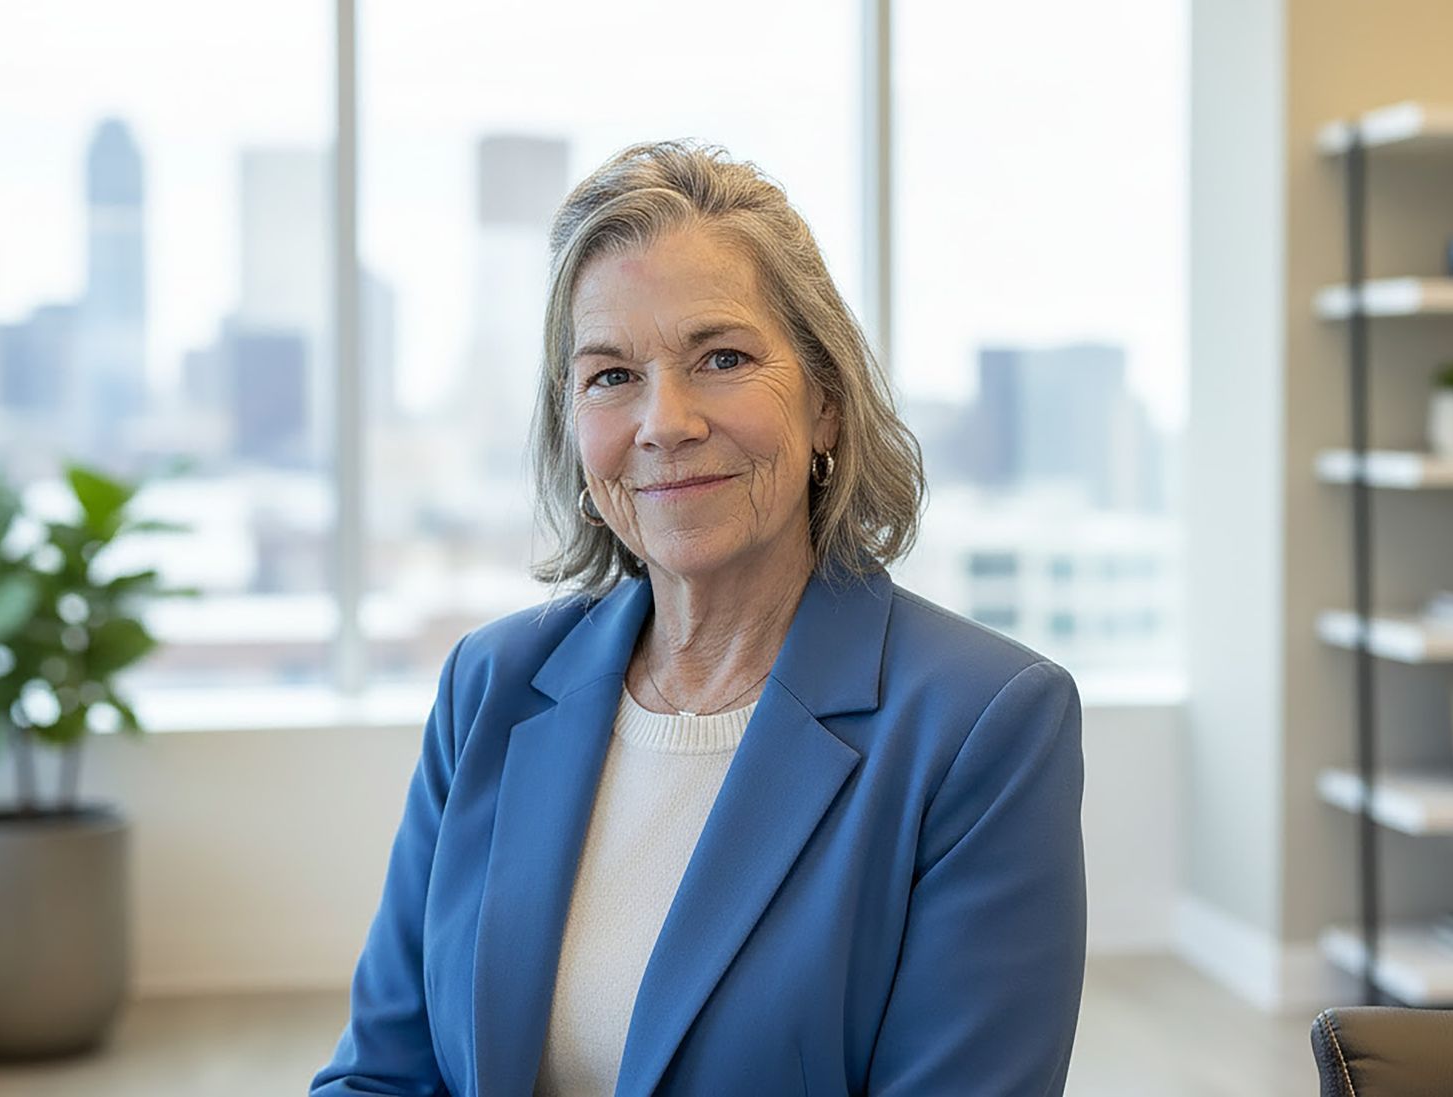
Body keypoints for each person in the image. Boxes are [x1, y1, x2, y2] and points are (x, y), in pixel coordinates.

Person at [311, 139, 1085, 1097]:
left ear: (826, 403)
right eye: (611, 375)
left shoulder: (982, 726)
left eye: (722, 358)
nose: (665, 422)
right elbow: (381, 1074)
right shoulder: (490, 685)